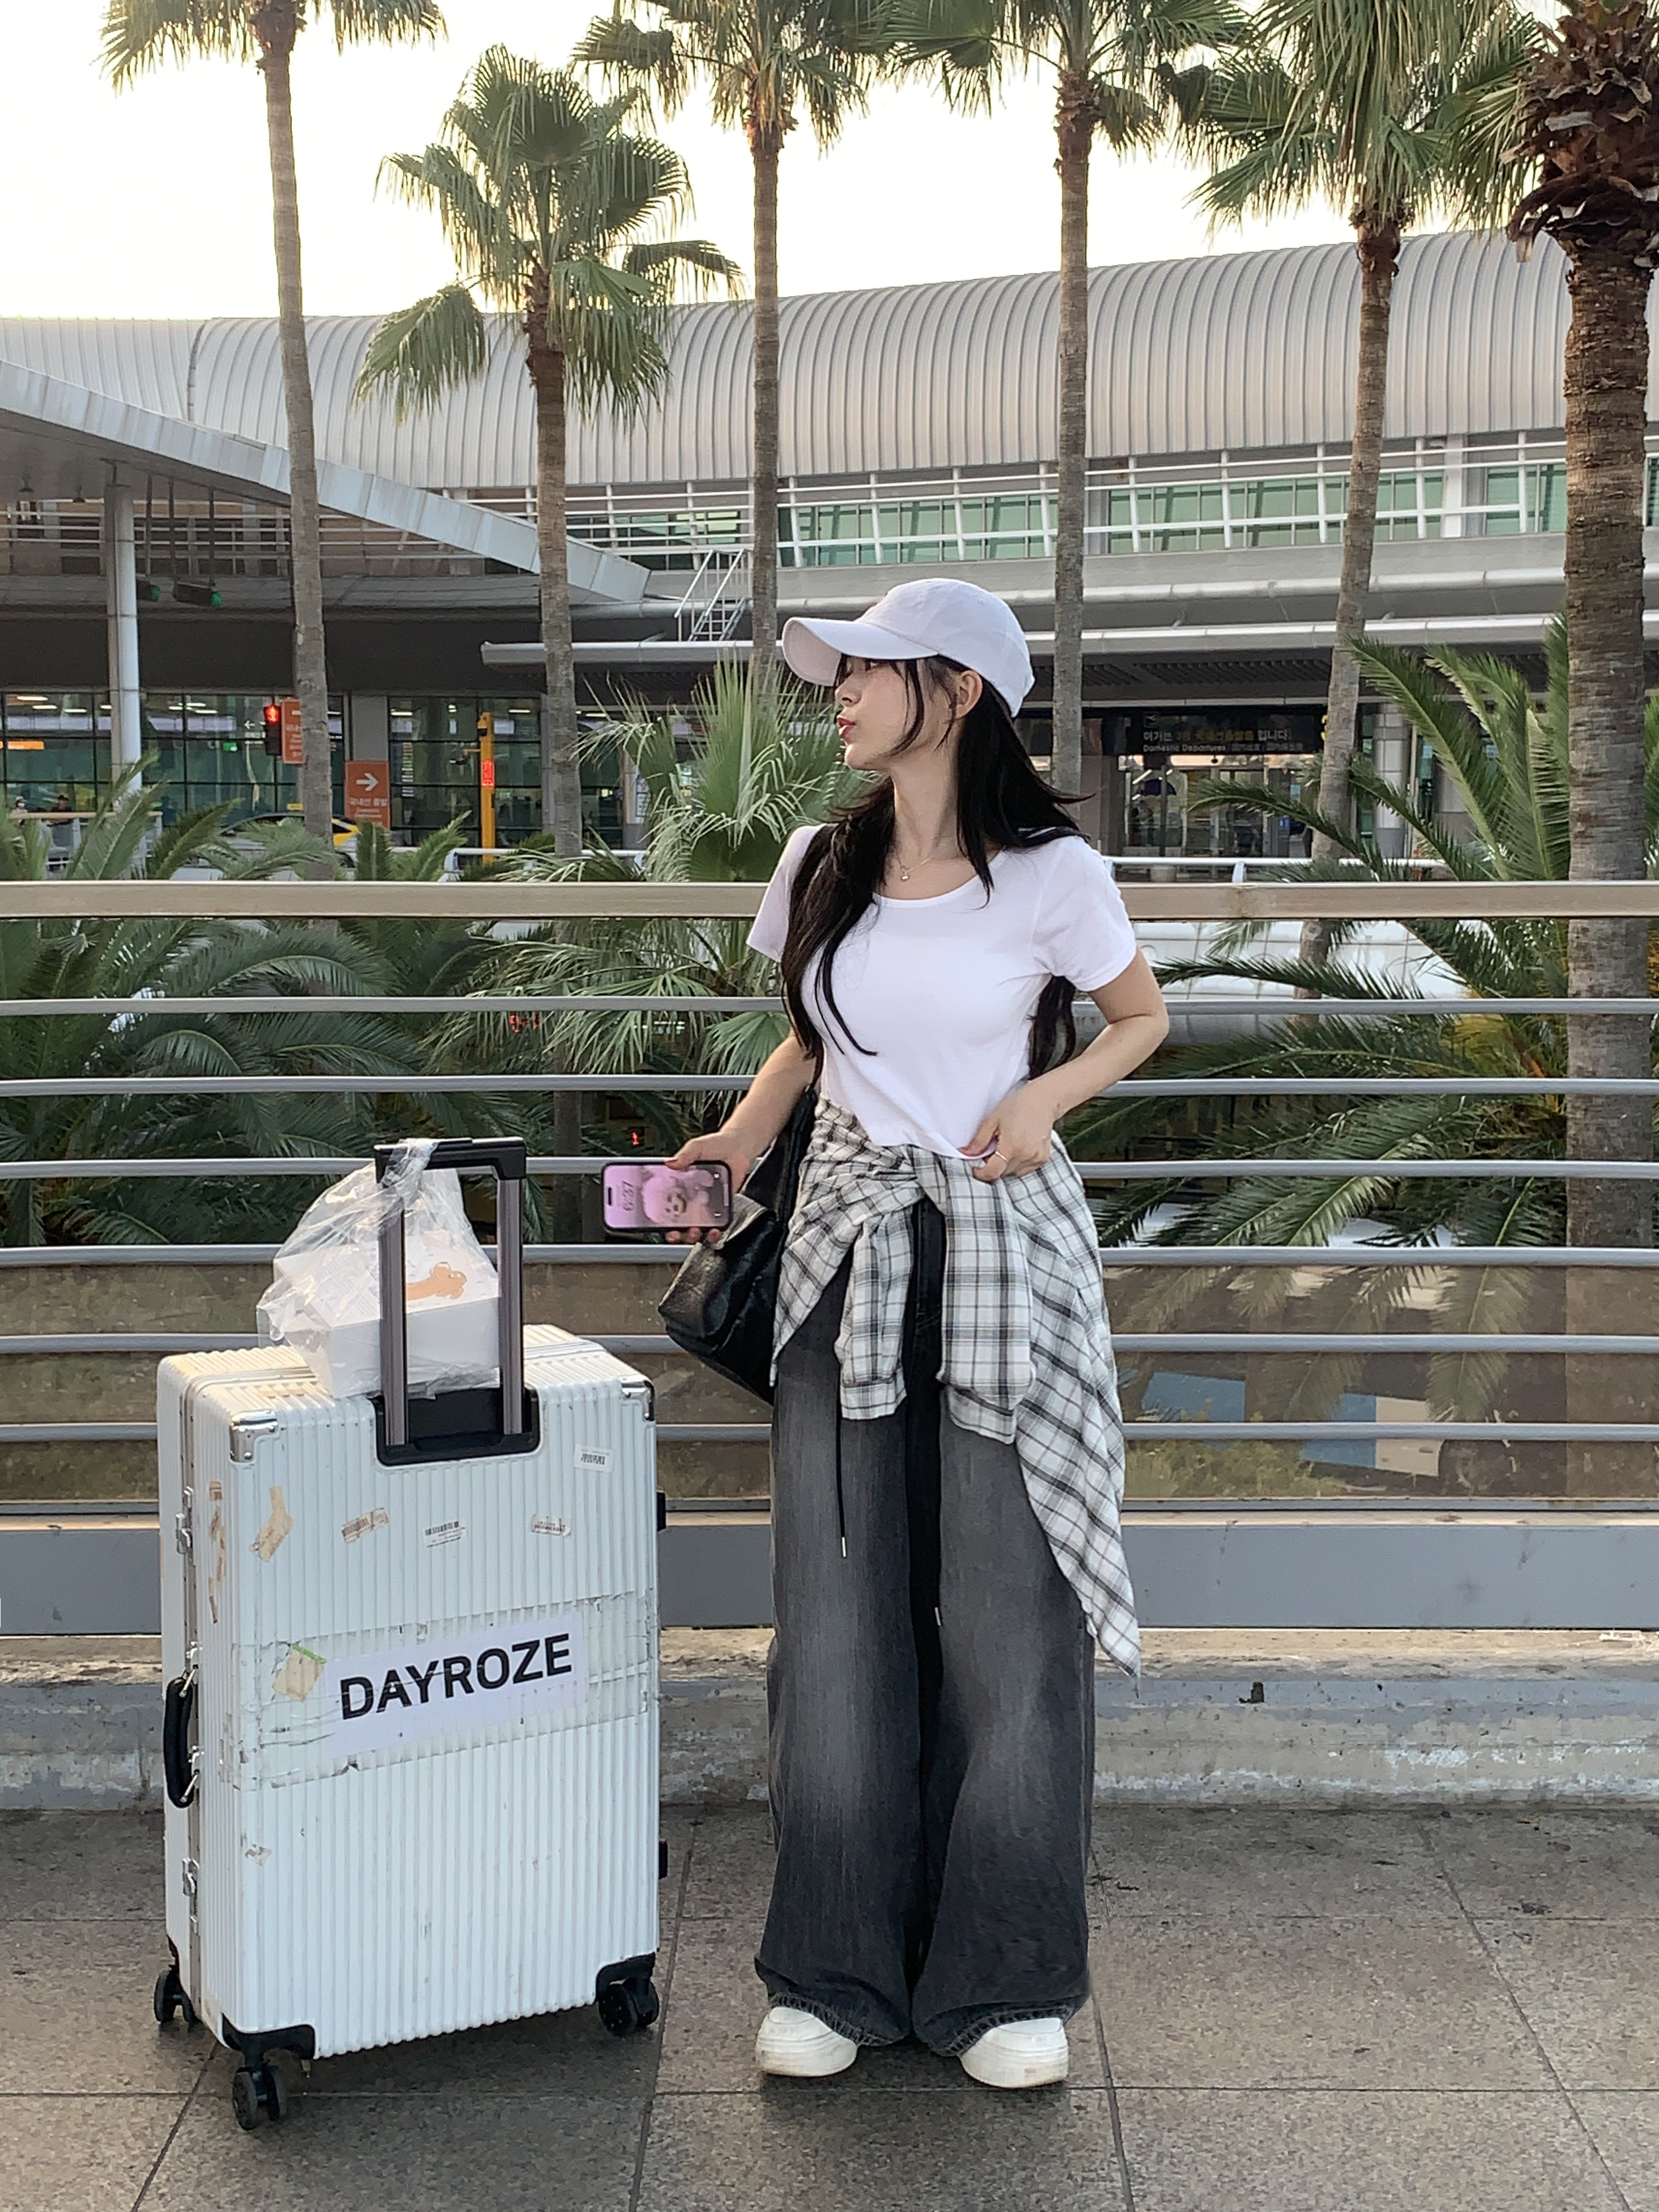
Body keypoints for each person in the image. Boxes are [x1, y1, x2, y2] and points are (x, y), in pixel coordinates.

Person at [667, 578, 1169, 2091]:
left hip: (1002, 1253)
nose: (839, 690)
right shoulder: (824, 860)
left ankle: (1006, 1980)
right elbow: (812, 1038)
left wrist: (1043, 1098)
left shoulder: (1053, 874)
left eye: (868, 668)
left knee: (1010, 1627)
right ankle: (834, 1972)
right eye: (839, 670)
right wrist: (738, 1139)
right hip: (844, 1255)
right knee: (833, 1620)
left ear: (958, 691)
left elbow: (1141, 1019)